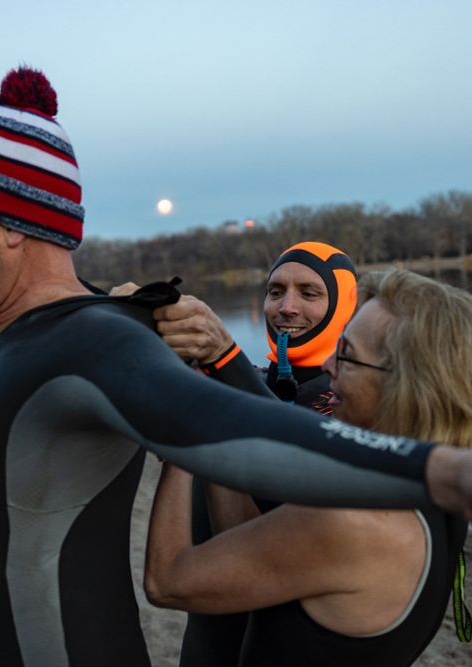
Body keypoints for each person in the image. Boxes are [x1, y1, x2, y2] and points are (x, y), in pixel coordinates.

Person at [0, 65, 472, 667]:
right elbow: (249, 459)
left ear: (8, 222)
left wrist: (453, 470)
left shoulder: (91, 343)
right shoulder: (61, 331)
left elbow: (225, 435)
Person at [145, 269, 472, 665]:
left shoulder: (354, 520)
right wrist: (213, 409)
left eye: (346, 354)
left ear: (409, 388)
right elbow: (248, 542)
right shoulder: (427, 493)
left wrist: (182, 433)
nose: (328, 365)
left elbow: (169, 580)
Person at [146, 241, 359, 666]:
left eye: (309, 293)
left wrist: (223, 363)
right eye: (275, 291)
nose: (286, 307)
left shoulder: (355, 403)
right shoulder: (242, 379)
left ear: (345, 307)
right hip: (206, 641)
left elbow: (274, 490)